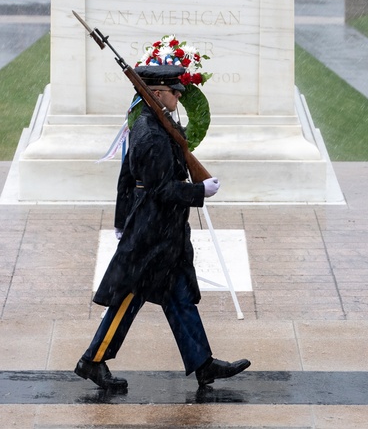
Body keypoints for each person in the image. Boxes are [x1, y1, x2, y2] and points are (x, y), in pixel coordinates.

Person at [75, 64, 250, 392]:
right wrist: (199, 191)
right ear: (156, 94)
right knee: (128, 297)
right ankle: (93, 360)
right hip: (151, 235)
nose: (179, 95)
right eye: (174, 91)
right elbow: (160, 190)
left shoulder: (157, 124)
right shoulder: (152, 133)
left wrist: (120, 219)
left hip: (162, 233)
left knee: (180, 296)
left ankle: (202, 363)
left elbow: (127, 176)